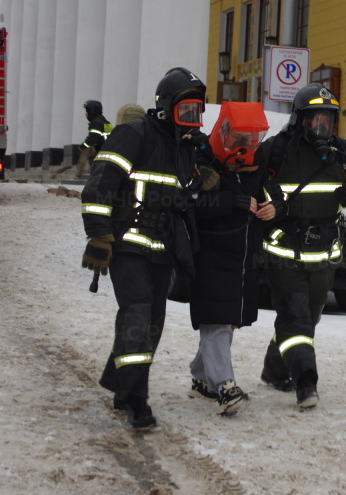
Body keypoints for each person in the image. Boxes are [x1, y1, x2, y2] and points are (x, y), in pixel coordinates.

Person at [80, 67, 217, 430]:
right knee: (138, 318)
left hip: (162, 249)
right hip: (126, 245)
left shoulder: (184, 147)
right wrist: (98, 235)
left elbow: (180, 192)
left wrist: (199, 181)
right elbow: (99, 185)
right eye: (185, 110)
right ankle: (137, 401)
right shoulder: (134, 134)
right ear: (165, 107)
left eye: (196, 111)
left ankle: (121, 386)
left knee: (150, 325)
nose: (191, 119)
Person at [256, 83, 346, 410]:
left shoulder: (342, 152)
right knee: (295, 316)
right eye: (315, 120)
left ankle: (274, 370)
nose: (322, 127)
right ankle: (306, 383)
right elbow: (253, 191)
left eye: (327, 120)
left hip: (324, 255)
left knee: (308, 318)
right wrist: (276, 206)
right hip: (286, 253)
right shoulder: (275, 151)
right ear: (299, 119)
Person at [187, 102, 285, 416]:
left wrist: (274, 206)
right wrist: (234, 201)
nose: (247, 145)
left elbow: (273, 192)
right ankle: (224, 386)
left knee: (226, 320)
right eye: (241, 138)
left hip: (244, 258)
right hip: (211, 255)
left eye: (253, 139)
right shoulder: (203, 161)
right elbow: (192, 204)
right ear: (225, 132)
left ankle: (201, 377)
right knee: (216, 321)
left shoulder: (257, 165)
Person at [76, 100, 113, 178]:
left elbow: (92, 138)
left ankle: (79, 174)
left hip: (102, 150)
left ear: (92, 111)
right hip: (107, 148)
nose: (85, 114)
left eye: (87, 111)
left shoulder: (96, 122)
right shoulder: (105, 121)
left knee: (85, 156)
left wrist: (82, 147)